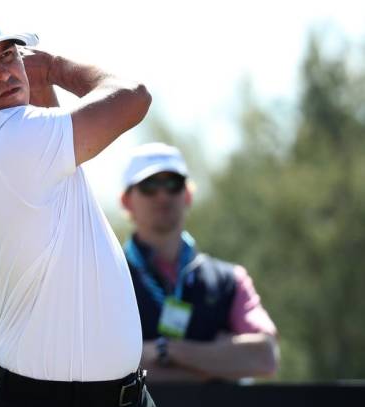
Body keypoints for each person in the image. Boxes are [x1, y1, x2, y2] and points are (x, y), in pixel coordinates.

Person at [0, 13, 157, 407]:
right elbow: (134, 97)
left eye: (9, 54)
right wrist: (53, 67)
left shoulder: (5, 142)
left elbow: (60, 154)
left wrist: (35, 86)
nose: (2, 72)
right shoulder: (10, 140)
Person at [119, 143, 280, 382]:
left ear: (188, 195)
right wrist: (217, 360)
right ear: (127, 201)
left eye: (173, 184)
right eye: (149, 186)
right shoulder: (104, 276)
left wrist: (165, 351)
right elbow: (93, 365)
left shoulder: (230, 279)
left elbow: (265, 356)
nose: (163, 195)